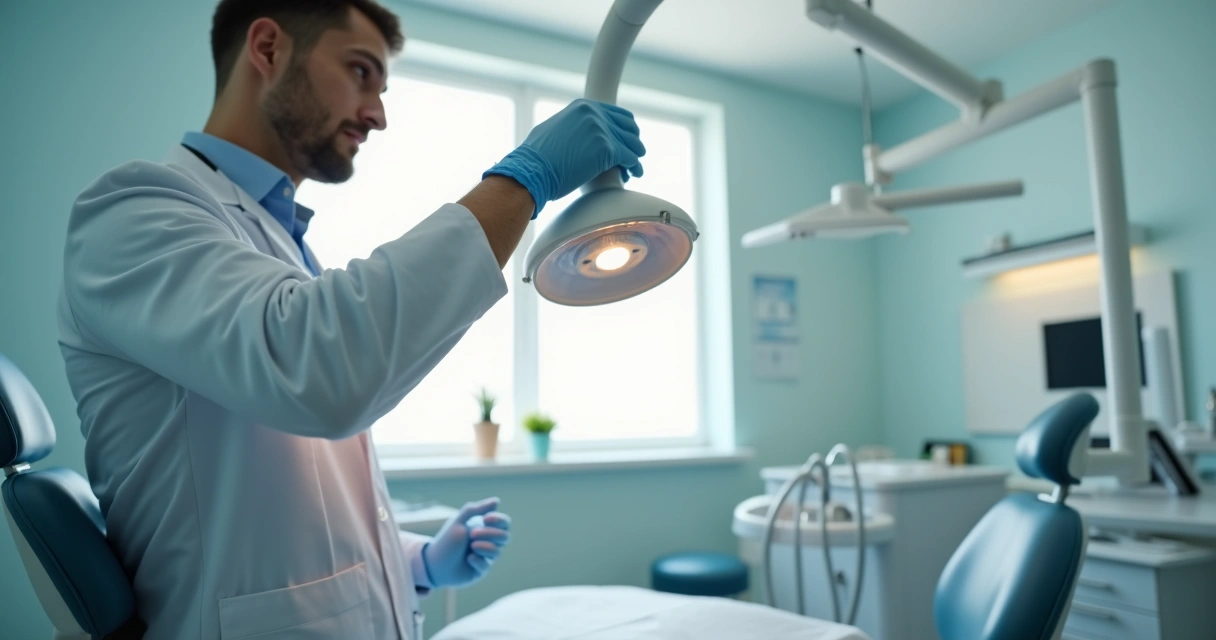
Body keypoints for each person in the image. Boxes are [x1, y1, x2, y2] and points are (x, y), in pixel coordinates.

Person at [56, 0, 647, 638]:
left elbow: (288, 510)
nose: (378, 114)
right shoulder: (134, 211)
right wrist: (524, 180)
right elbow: (319, 369)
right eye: (361, 72)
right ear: (268, 49)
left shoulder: (277, 243)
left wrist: (417, 561)